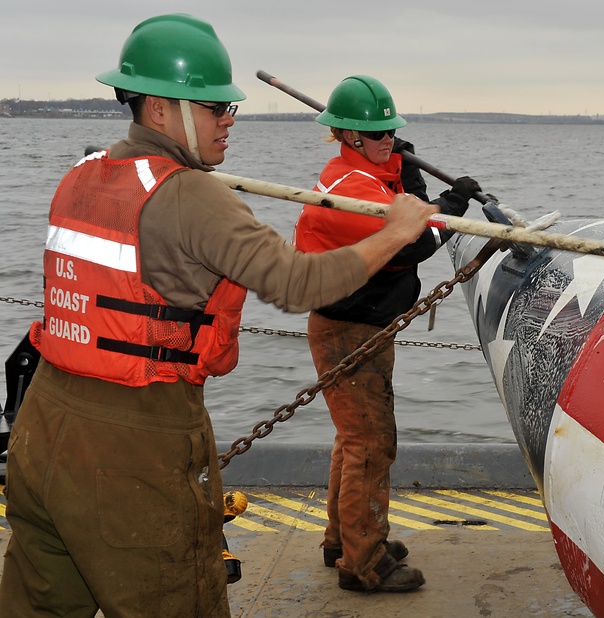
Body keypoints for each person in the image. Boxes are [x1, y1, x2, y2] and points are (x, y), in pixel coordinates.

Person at [0, 14, 437, 617]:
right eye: (214, 108)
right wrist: (399, 229)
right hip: (133, 445)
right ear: (160, 109)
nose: (229, 119)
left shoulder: (81, 174)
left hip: (42, 427)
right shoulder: (188, 192)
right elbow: (296, 281)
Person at [292, 75, 481, 593]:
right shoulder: (354, 194)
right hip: (348, 329)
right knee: (371, 445)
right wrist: (453, 208)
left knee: (352, 440)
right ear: (349, 136)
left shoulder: (362, 172)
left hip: (359, 325)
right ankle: (364, 563)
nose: (387, 141)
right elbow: (412, 243)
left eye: (392, 133)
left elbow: (402, 200)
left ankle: (343, 540)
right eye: (378, 135)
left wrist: (408, 168)